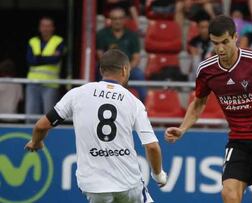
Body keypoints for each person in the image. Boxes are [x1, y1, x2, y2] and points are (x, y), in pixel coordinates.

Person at [165, 15, 252, 203]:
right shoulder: (206, 70)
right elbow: (198, 103)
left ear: (235, 37)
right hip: (238, 139)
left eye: (225, 42)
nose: (220, 48)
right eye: (215, 43)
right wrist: (182, 128)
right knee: (229, 195)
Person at [25, 49, 167, 203]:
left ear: (101, 70)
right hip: (128, 184)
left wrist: (36, 141)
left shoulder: (77, 94)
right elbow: (152, 147)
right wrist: (158, 175)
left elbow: (41, 126)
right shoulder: (133, 102)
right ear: (125, 70)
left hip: (93, 187)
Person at [96, 7, 147, 103]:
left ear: (125, 19)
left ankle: (143, 108)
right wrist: (112, 70)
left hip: (127, 69)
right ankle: (99, 104)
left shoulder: (132, 35)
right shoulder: (102, 34)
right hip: (108, 69)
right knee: (97, 72)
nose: (117, 21)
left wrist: (126, 70)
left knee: (139, 74)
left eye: (120, 18)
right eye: (114, 19)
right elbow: (100, 56)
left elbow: (136, 58)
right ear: (110, 20)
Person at [25, 17, 64, 123]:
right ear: (39, 28)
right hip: (33, 83)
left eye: (48, 26)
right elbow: (30, 60)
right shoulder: (33, 41)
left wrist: (38, 57)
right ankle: (31, 139)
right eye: (43, 26)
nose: (45, 29)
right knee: (31, 116)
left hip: (50, 84)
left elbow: (55, 60)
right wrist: (48, 58)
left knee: (49, 117)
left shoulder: (58, 41)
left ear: (53, 28)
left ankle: (49, 139)